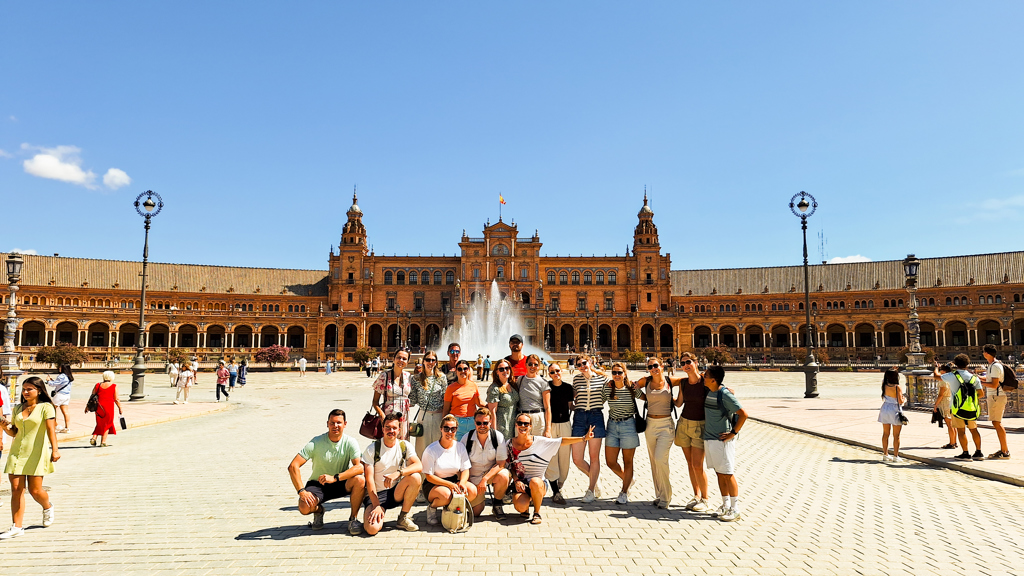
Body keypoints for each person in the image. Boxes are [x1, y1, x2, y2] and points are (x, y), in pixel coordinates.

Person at [506, 413, 595, 525]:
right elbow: (509, 466)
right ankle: (527, 506)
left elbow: (561, 441)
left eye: (526, 423)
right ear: (515, 425)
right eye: (520, 423)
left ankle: (537, 512)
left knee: (535, 481)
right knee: (520, 507)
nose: (523, 425)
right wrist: (516, 480)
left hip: (538, 483)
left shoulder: (540, 442)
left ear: (530, 426)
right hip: (521, 485)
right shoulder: (509, 444)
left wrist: (583, 438)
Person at [288, 409, 366, 535]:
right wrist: (301, 491)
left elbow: (360, 467)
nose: (335, 426)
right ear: (327, 424)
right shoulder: (316, 442)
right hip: (318, 484)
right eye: (332, 423)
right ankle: (318, 511)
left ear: (345, 424)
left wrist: (335, 477)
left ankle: (353, 519)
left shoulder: (350, 442)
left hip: (340, 481)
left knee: (360, 480)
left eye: (339, 423)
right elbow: (293, 466)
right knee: (303, 507)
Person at [0, 377, 59, 539]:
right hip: (17, 452)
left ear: (39, 390)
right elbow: (14, 432)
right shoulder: (18, 408)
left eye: (29, 389)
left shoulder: (46, 407)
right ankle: (16, 526)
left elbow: (50, 430)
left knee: (35, 490)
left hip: (36, 451)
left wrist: (55, 450)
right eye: (24, 389)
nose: (25, 392)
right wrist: (4, 426)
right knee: (16, 490)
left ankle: (47, 506)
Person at [362, 414, 423, 534]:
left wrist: (399, 473)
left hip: (395, 492)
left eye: (394, 428)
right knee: (372, 529)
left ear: (399, 430)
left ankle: (403, 517)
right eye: (388, 427)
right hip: (376, 494)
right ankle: (374, 513)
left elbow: (419, 465)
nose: (391, 431)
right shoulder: (372, 449)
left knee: (415, 477)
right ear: (383, 429)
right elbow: (369, 480)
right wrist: (376, 505)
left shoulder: (404, 445)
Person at [702, 365, 747, 522]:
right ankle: (726, 505)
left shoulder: (724, 394)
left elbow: (743, 414)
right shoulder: (710, 391)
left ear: (713, 380)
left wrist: (733, 433)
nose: (703, 377)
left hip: (722, 440)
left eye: (706, 375)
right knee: (719, 473)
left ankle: (735, 508)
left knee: (727, 474)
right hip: (709, 438)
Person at [421, 414, 476, 526]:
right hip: (434, 483)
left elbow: (465, 469)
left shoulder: (460, 447)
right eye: (446, 428)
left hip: (453, 481)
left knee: (472, 490)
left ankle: (453, 509)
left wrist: (463, 483)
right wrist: (450, 485)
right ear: (441, 429)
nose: (449, 432)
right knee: (446, 494)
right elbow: (429, 476)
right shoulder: (431, 449)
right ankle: (432, 508)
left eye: (453, 429)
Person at [673, 352, 710, 512]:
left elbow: (719, 390)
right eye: (683, 363)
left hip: (701, 426)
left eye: (688, 362)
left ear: (696, 362)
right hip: (684, 424)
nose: (686, 365)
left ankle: (705, 498)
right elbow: (679, 403)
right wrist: (662, 396)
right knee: (690, 464)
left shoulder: (705, 382)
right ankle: (696, 496)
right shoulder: (683, 383)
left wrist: (727, 392)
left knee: (697, 465)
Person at [638, 357, 676, 509]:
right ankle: (659, 494)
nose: (653, 368)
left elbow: (692, 381)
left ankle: (666, 497)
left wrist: (723, 388)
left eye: (655, 365)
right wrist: (642, 397)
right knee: (654, 461)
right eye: (650, 366)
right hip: (650, 425)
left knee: (661, 459)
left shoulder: (671, 381)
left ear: (662, 366)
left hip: (666, 425)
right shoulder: (645, 381)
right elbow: (631, 386)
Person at [602, 362, 641, 504]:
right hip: (612, 425)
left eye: (619, 372)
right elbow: (597, 401)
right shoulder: (608, 389)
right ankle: (628, 479)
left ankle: (624, 492)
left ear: (625, 374)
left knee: (628, 461)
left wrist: (641, 384)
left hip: (628, 425)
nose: (617, 375)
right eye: (614, 373)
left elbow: (647, 398)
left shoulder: (631, 389)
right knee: (610, 462)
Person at [570, 354, 607, 503]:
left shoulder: (603, 378)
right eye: (579, 364)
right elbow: (574, 398)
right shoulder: (576, 379)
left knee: (594, 457)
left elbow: (607, 395)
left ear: (590, 362)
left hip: (595, 416)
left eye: (584, 363)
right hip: (579, 417)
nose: (582, 366)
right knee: (577, 459)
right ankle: (595, 479)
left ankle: (590, 490)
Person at [460, 408, 510, 518]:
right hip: (472, 478)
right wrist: (466, 482)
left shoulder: (498, 437)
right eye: (479, 423)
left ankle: (497, 505)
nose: (482, 426)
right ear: (475, 423)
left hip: (490, 475)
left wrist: (485, 479)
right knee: (476, 513)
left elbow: (501, 463)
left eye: (485, 423)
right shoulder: (466, 439)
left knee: (504, 475)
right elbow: (461, 465)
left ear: (490, 422)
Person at [942, 353, 985, 461]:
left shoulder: (951, 376)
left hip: (957, 409)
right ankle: (978, 452)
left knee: (961, 431)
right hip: (971, 408)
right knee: (974, 430)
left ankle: (966, 453)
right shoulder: (974, 377)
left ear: (955, 364)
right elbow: (981, 394)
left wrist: (936, 368)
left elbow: (937, 376)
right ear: (967, 364)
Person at [545, 361, 573, 504]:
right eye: (552, 372)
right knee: (551, 458)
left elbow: (570, 406)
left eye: (557, 371)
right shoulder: (546, 387)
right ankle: (555, 490)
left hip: (565, 425)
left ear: (562, 371)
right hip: (551, 425)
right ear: (548, 374)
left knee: (564, 458)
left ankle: (560, 485)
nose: (555, 374)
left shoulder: (568, 388)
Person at [371, 348, 412, 439]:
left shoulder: (408, 376)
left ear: (408, 361)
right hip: (388, 417)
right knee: (389, 444)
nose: (401, 360)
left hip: (404, 417)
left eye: (404, 359)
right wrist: (382, 416)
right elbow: (375, 402)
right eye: (399, 357)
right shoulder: (384, 376)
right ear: (393, 359)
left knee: (402, 446)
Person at [981, 344, 1011, 460]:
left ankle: (1005, 451)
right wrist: (979, 378)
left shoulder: (995, 366)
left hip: (996, 396)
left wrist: (980, 383)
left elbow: (994, 385)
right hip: (994, 396)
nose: (983, 353)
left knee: (997, 423)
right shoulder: (992, 365)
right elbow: (991, 380)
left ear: (987, 353)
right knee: (996, 422)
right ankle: (1003, 449)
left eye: (984, 351)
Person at [443, 360, 484, 439]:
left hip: (472, 422)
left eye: (465, 369)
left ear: (469, 370)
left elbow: (479, 403)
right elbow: (446, 409)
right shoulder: (450, 388)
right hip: (457, 423)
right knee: (457, 449)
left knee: (471, 449)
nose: (463, 371)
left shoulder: (473, 385)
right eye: (460, 369)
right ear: (456, 371)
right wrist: (445, 427)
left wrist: (492, 407)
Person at [514, 354, 551, 438]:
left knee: (538, 447)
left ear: (539, 366)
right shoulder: (520, 380)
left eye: (536, 364)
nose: (532, 366)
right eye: (530, 364)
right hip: (522, 417)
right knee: (521, 447)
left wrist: (548, 429)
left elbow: (547, 407)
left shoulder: (543, 382)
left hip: (537, 417)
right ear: (526, 365)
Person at [88, 371, 123, 447]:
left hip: (98, 407)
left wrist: (87, 407)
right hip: (109, 407)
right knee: (107, 424)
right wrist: (120, 407)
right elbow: (116, 399)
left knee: (100, 423)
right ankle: (103, 442)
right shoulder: (114, 386)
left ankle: (94, 438)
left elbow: (92, 396)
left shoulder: (98, 385)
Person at [486, 359, 520, 438]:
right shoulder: (494, 388)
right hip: (502, 427)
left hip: (514, 426)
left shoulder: (513, 385)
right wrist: (494, 433)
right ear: (497, 372)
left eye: (507, 368)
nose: (505, 371)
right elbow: (492, 412)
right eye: (501, 369)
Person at [878, 368, 905, 462]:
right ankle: (896, 456)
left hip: (885, 408)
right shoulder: (897, 387)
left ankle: (885, 454)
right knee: (896, 435)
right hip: (894, 409)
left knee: (885, 433)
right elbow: (900, 401)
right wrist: (903, 398)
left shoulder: (884, 385)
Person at [932, 362, 958, 449]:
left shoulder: (943, 380)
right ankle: (954, 441)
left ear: (943, 371)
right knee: (953, 423)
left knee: (949, 423)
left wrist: (936, 404)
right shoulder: (951, 378)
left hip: (945, 401)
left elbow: (941, 394)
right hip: (951, 399)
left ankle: (951, 443)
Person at [46, 364, 73, 433]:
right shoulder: (69, 376)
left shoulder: (61, 376)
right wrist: (52, 381)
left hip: (60, 395)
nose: (59, 368)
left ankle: (56, 425)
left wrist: (48, 381)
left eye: (60, 367)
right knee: (65, 412)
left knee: (51, 409)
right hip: (67, 395)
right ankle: (67, 428)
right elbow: (59, 383)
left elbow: (53, 384)